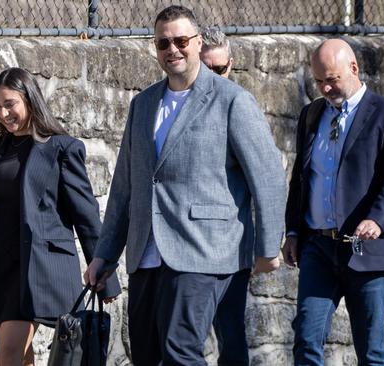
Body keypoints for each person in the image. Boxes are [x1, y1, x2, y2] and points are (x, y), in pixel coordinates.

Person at [84, 5, 286, 365]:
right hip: (146, 253)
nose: (172, 49)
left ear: (196, 43)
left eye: (180, 40)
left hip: (205, 249)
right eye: (163, 43)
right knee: (147, 354)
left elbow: (267, 174)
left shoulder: (231, 100)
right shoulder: (143, 104)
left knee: (181, 350)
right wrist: (105, 255)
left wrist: (269, 246)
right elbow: (125, 186)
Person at [0, 67, 121, 366]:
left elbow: (86, 216)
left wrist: (106, 274)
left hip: (36, 269)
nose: (3, 114)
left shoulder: (60, 148)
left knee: (8, 356)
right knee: (20, 358)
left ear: (30, 100)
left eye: (9, 104)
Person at [282, 39, 384, 365]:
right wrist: (294, 232)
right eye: (319, 81)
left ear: (354, 69)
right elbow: (301, 176)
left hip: (367, 253)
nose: (325, 87)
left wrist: (376, 218)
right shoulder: (311, 115)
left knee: (370, 350)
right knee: (306, 341)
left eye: (332, 79)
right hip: (318, 248)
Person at [199, 27, 250, 366]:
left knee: (230, 335)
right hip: (189, 243)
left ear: (232, 65)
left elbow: (264, 178)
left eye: (222, 69)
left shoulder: (240, 105)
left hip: (231, 245)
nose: (216, 77)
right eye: (209, 70)